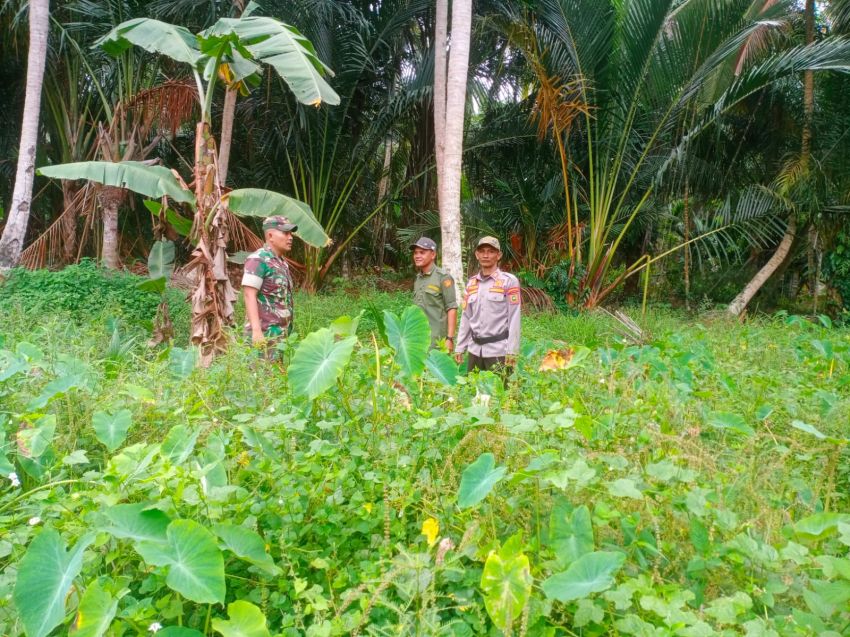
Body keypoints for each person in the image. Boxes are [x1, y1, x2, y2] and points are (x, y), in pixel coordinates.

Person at [455, 236, 521, 373]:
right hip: (474, 350)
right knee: (475, 392)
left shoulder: (508, 281)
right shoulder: (471, 283)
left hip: (498, 351)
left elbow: (514, 317)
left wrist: (512, 350)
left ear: (499, 255)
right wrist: (460, 347)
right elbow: (466, 317)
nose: (486, 255)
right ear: (477, 255)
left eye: (491, 251)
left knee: (500, 393)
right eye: (482, 251)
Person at [242, 215, 298, 347]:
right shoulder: (258, 259)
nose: (290, 237)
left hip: (280, 336)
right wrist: (256, 331)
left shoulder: (282, 263)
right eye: (285, 233)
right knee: (260, 368)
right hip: (264, 335)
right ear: (270, 235)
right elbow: (249, 295)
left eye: (291, 233)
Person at [411, 237, 458, 350]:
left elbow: (451, 308)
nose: (417, 256)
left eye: (422, 252)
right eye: (415, 253)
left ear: (433, 255)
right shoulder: (418, 279)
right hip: (418, 337)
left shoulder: (443, 277)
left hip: (436, 340)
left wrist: (449, 338)